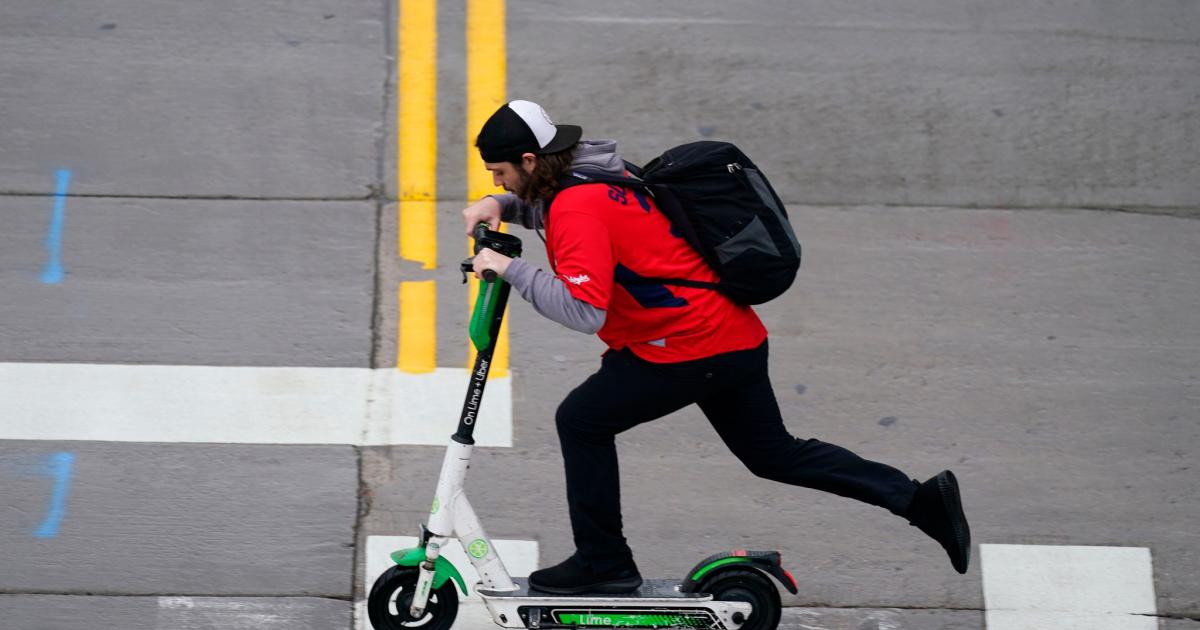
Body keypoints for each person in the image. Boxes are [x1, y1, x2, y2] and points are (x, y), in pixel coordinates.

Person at [461, 100, 971, 594]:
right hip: (731, 336)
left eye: (500, 174)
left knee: (581, 421)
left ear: (531, 161)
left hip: (686, 348)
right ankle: (919, 501)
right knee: (774, 455)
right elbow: (559, 212)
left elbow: (582, 309)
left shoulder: (576, 207)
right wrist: (501, 205)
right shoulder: (594, 176)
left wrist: (511, 269)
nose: (497, 182)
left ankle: (603, 562)